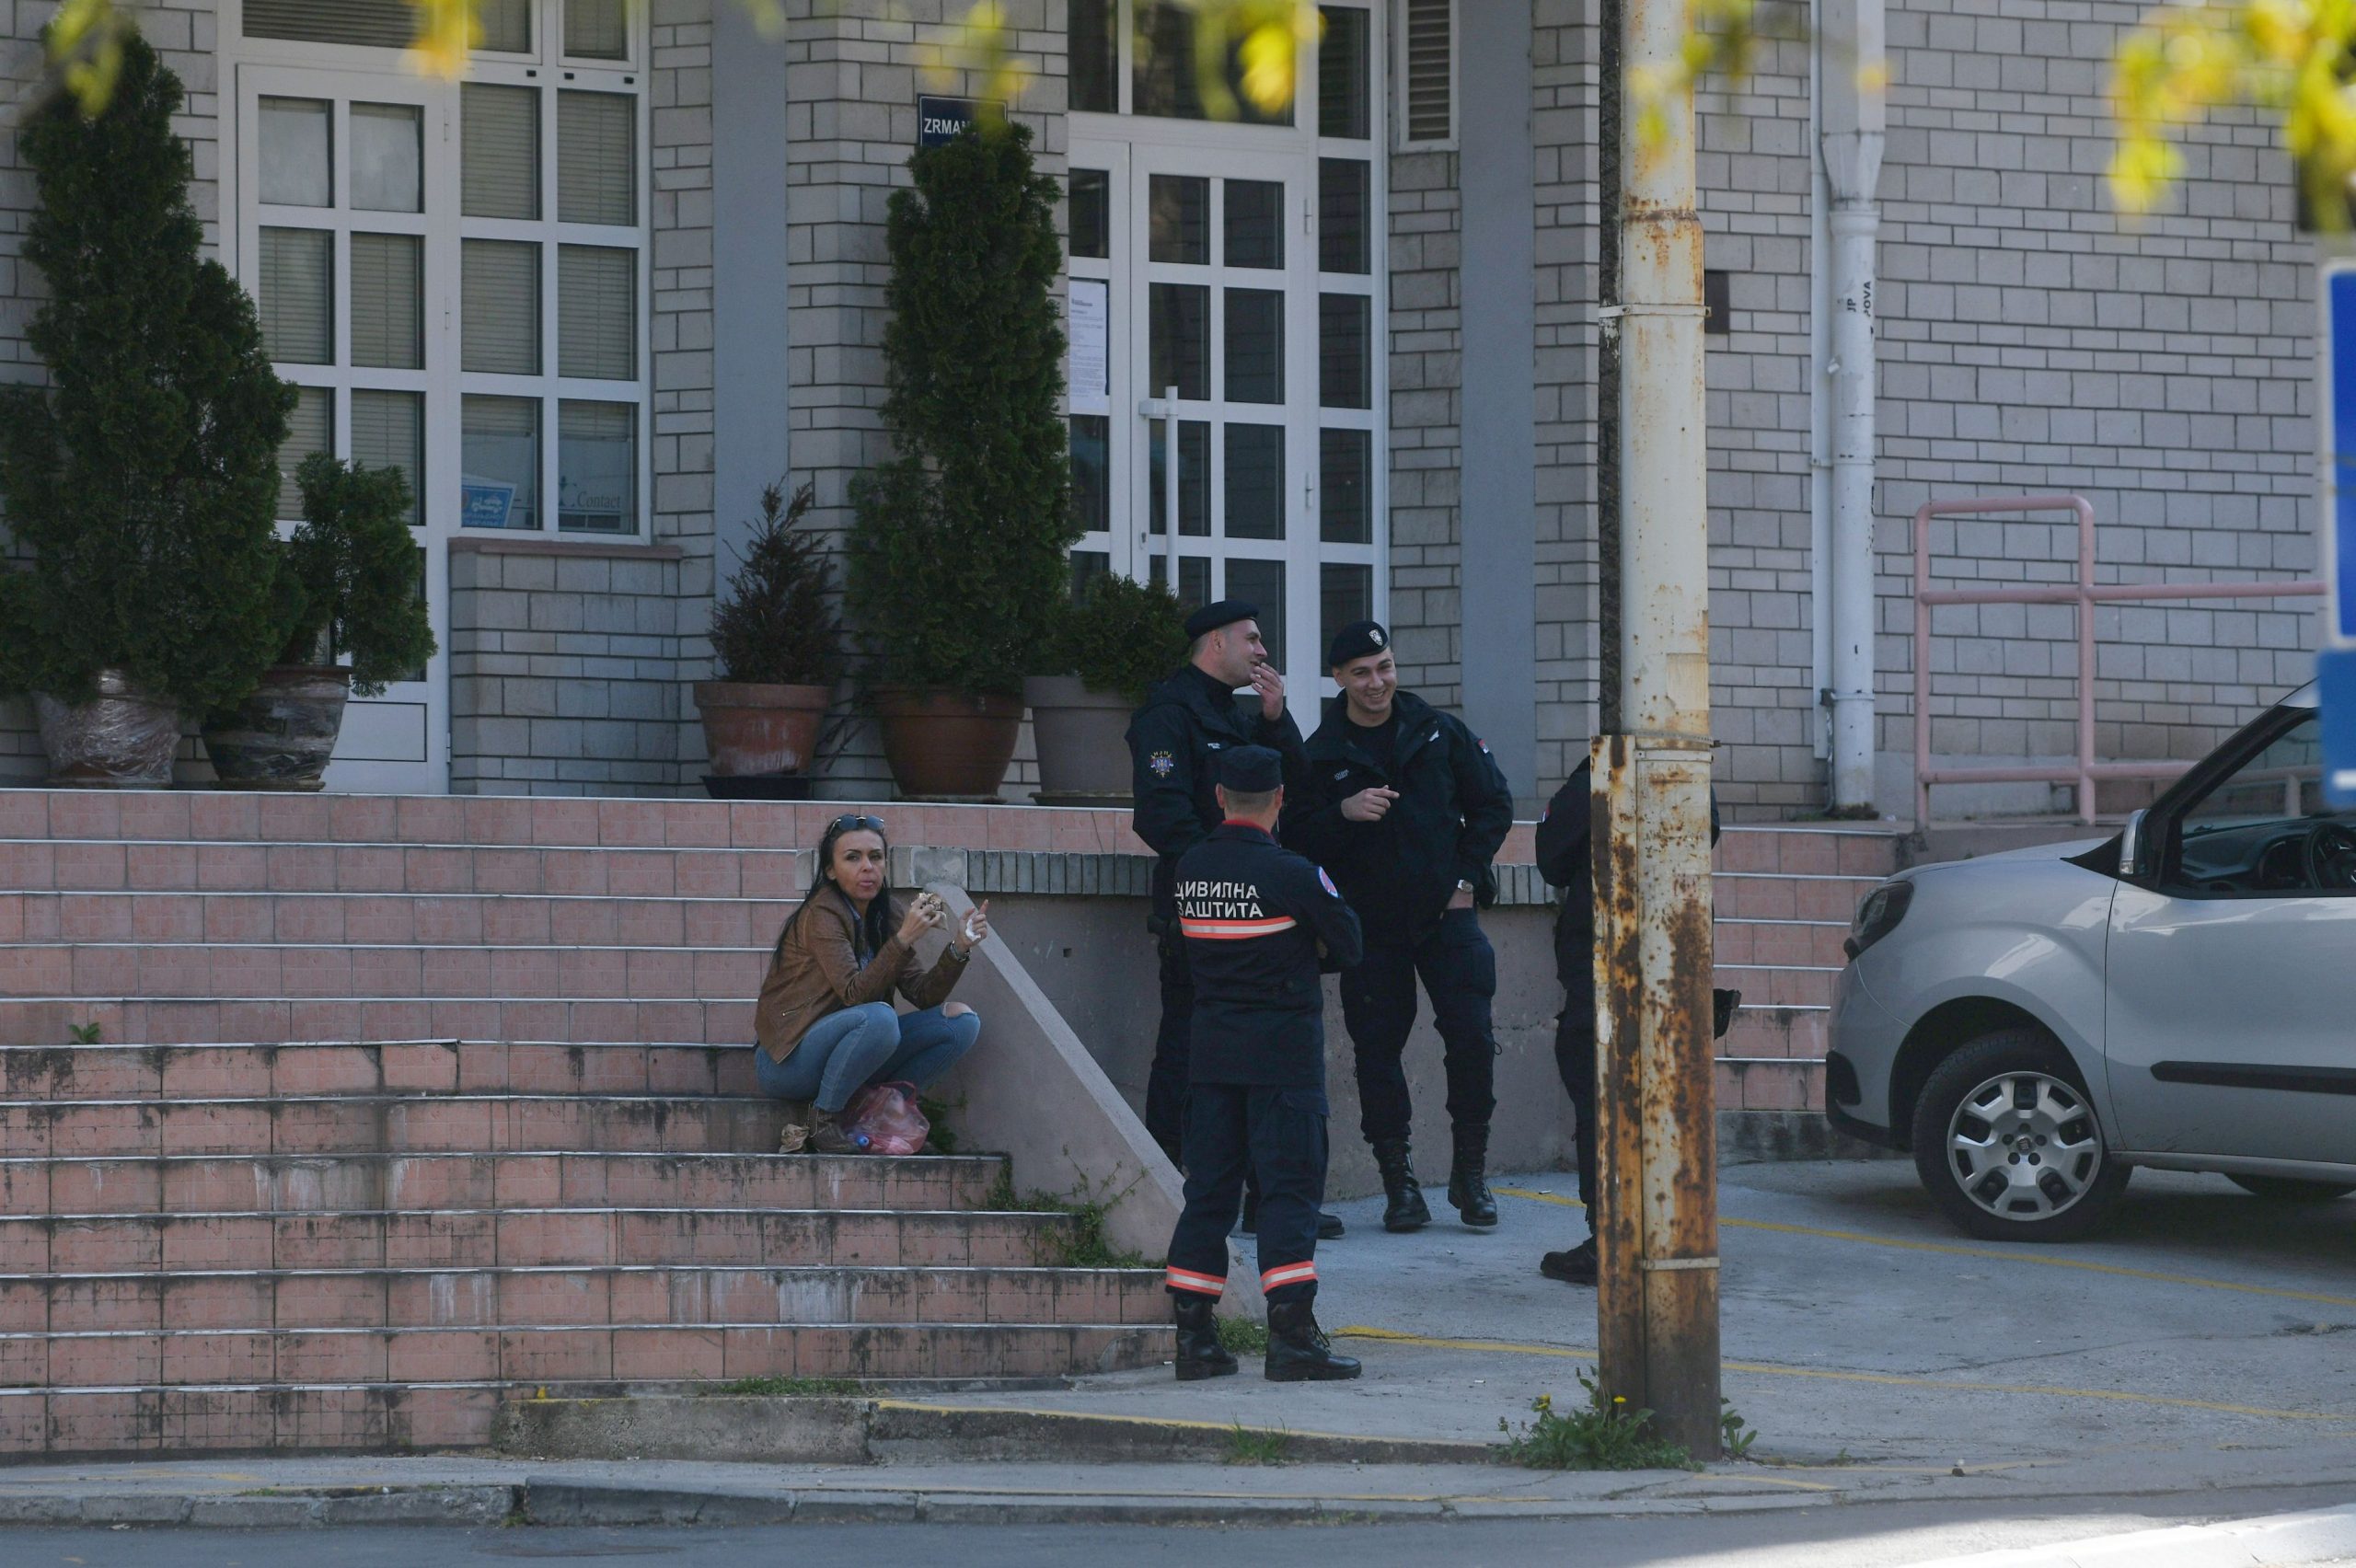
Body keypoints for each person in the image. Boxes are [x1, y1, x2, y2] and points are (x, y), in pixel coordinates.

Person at [1283, 621, 1515, 1233]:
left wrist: (1467, 881)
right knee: (1377, 1054)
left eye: (1384, 666)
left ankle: (1471, 1176)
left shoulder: (1437, 730)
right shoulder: (1321, 750)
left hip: (1447, 919)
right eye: (1361, 672)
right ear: (1338, 679)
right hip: (1370, 929)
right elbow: (1296, 835)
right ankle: (1400, 1185)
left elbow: (1494, 804)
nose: (1377, 682)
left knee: (1471, 1039)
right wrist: (1343, 810)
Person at [1126, 601, 1341, 1238]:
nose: (1261, 651)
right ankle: (1166, 1183)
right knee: (1187, 1053)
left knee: (1264, 1062)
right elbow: (1161, 814)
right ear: (1214, 643)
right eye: (1251, 639)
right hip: (1202, 915)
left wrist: (1276, 720)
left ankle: (1264, 1195)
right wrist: (1219, 871)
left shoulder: (1239, 714)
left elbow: (1294, 792)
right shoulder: (1170, 712)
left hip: (1263, 919)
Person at [1161, 745, 1366, 1383]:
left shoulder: (1191, 868)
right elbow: (1351, 945)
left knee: (1210, 1194)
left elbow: (1180, 952)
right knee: (1288, 1193)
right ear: (1280, 800)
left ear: (1219, 797)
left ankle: (1194, 1339)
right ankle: (1292, 1339)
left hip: (1212, 1054)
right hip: (1282, 1059)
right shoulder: (1294, 874)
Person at [1534, 760, 1734, 1284]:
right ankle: (1669, 1234)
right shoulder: (1684, 765)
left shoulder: (1599, 771)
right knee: (1667, 1098)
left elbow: (1552, 856)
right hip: (1673, 957)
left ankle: (1611, 1238)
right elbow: (1706, 832)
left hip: (1608, 958)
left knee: (1601, 1101)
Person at [753, 813, 992, 1154]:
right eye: (853, 858)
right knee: (880, 1018)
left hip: (858, 1047)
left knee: (961, 1023)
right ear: (831, 871)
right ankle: (824, 1119)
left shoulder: (888, 912)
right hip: (790, 1062)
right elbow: (854, 995)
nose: (868, 867)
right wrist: (904, 939)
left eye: (875, 857)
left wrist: (958, 949)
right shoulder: (822, 914)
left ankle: (885, 1114)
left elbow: (923, 994)